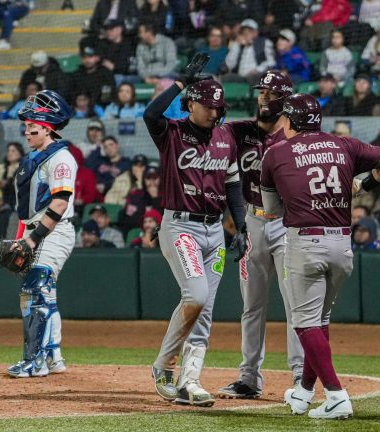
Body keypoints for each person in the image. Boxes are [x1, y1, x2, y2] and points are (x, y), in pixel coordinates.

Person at [260, 93, 380, 420]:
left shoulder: (276, 153)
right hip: (342, 242)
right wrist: (362, 186)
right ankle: (304, 393)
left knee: (305, 323)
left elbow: (271, 211)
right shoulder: (343, 144)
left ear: (289, 120)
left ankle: (336, 395)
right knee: (319, 322)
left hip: (305, 242)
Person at [144, 55, 246, 407]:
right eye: (208, 106)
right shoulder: (172, 133)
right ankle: (163, 365)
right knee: (197, 296)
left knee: (205, 308)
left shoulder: (226, 138)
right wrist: (178, 83)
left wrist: (241, 225)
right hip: (180, 225)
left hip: (215, 230)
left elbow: (233, 185)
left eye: (219, 107)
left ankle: (190, 381)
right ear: (190, 104)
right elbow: (150, 115)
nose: (215, 112)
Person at [216, 70, 304, 399]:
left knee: (295, 303)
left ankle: (301, 376)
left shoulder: (296, 137)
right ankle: (249, 377)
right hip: (253, 220)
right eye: (261, 92)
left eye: (272, 93)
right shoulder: (240, 131)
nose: (264, 97)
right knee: (251, 305)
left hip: (287, 224)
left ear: (286, 99)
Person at [5, 89, 77, 379]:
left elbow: (59, 203)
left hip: (54, 231)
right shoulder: (36, 157)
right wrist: (22, 237)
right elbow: (26, 210)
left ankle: (34, 361)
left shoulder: (61, 158)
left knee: (36, 291)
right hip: (37, 230)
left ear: (48, 128)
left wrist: (33, 239)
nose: (27, 131)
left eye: (32, 126)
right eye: (26, 126)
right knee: (42, 294)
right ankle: (53, 357)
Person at [223, 19, 276, 85]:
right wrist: (236, 45)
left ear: (256, 32)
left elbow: (271, 62)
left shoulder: (264, 42)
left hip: (257, 76)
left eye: (250, 31)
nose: (246, 34)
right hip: (240, 77)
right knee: (226, 78)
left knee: (253, 78)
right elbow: (230, 65)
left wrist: (257, 70)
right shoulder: (238, 45)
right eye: (244, 31)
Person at [67, 45, 114, 109]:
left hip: (100, 108)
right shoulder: (76, 75)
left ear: (96, 58)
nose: (87, 60)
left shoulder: (105, 74)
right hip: (79, 108)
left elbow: (107, 97)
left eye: (90, 57)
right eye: (84, 57)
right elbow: (71, 94)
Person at [97, 19, 136, 84]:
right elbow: (102, 62)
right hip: (110, 76)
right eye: (106, 29)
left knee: (118, 78)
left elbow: (131, 67)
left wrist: (115, 67)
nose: (108, 32)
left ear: (119, 29)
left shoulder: (129, 44)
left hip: (130, 76)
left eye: (111, 29)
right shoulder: (102, 44)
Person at [0, 142, 25, 207]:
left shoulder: (23, 168)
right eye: (8, 151)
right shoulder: (0, 168)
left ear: (20, 153)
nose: (9, 153)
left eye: (13, 151)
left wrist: (7, 183)